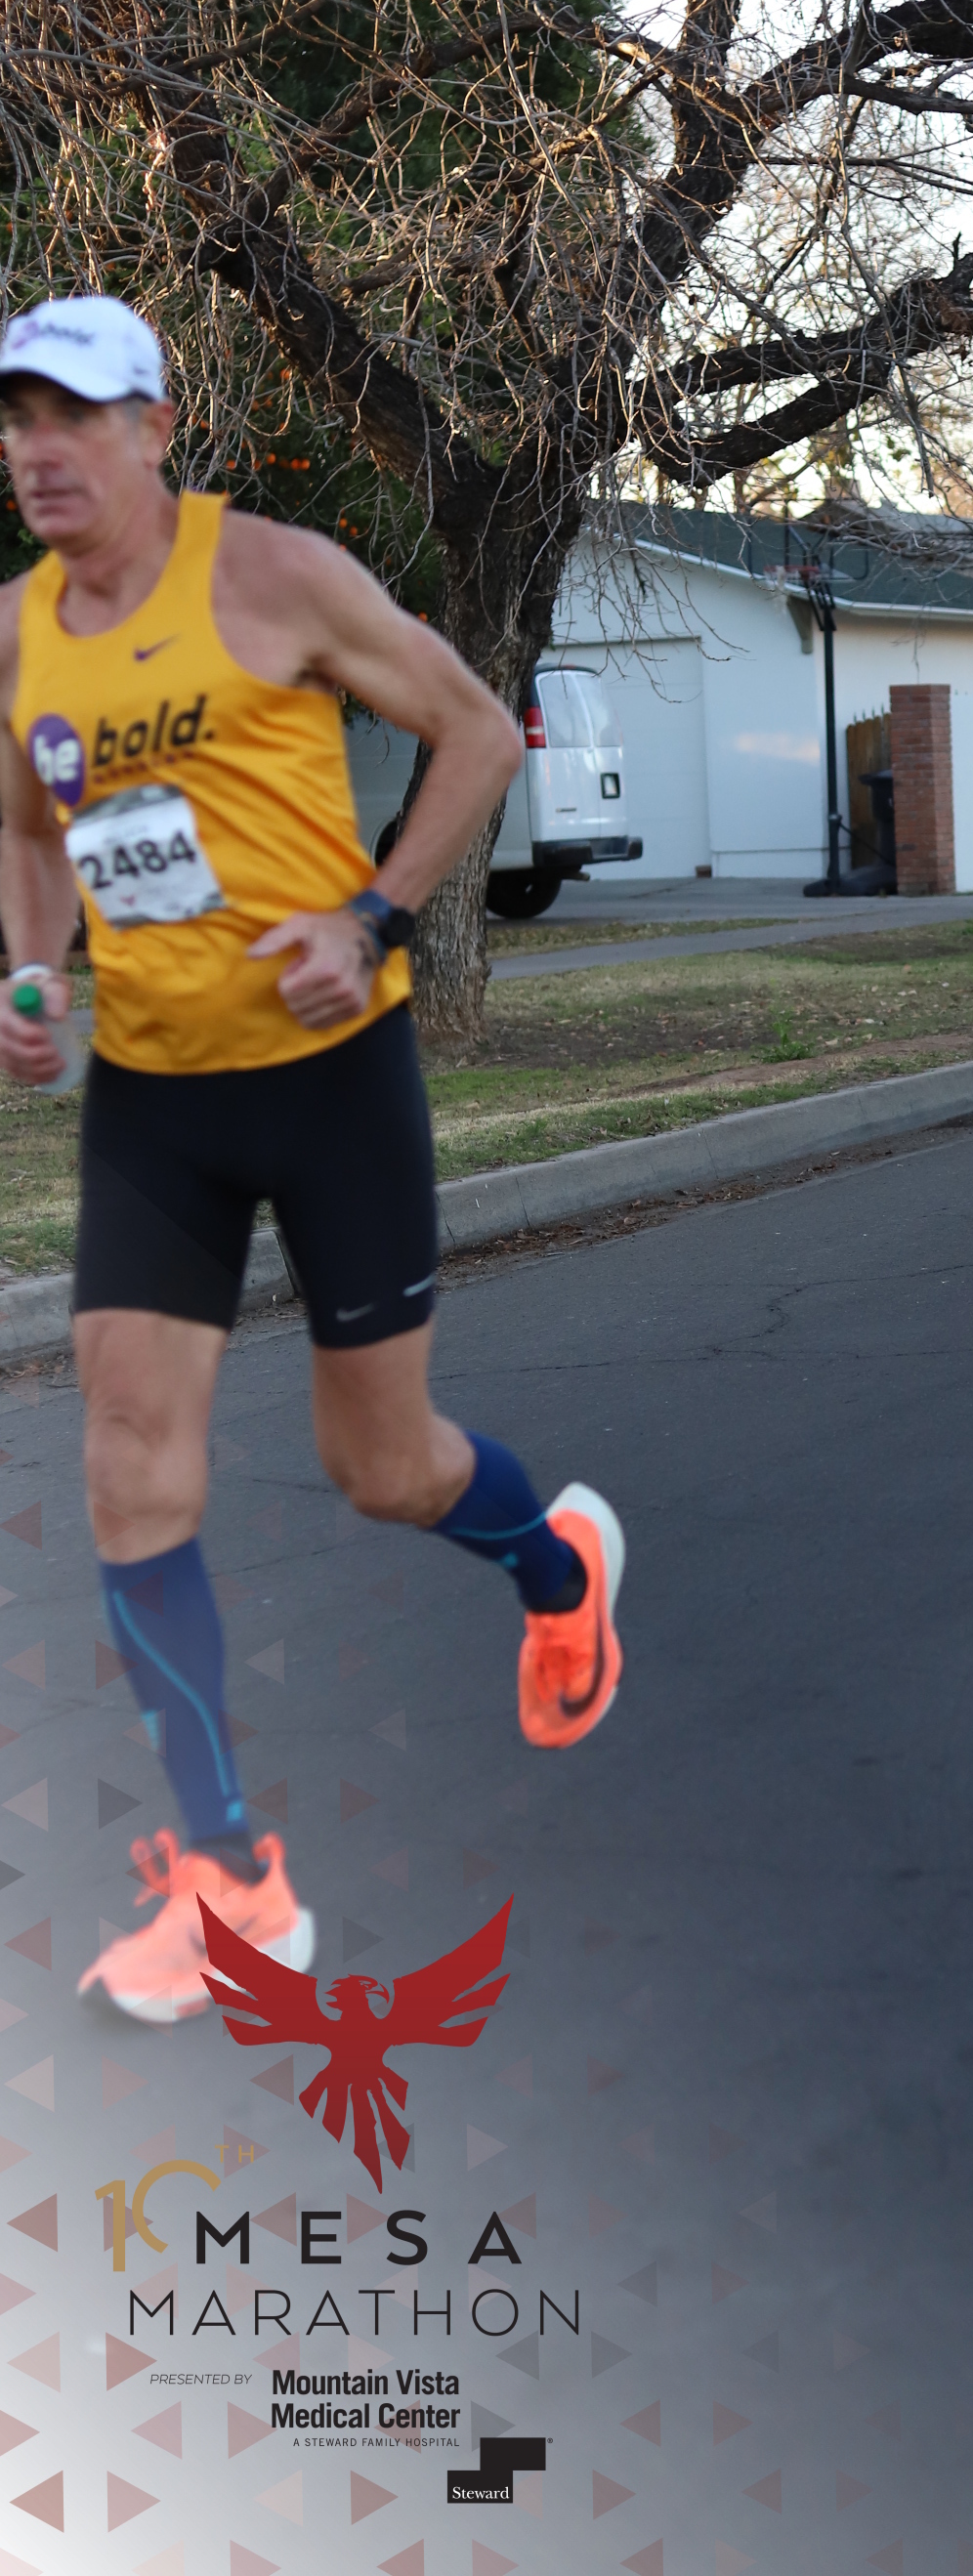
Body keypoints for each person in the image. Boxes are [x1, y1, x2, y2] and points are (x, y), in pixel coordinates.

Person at [0, 297, 626, 2026]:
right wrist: (34, 973)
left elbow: (479, 731)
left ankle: (558, 1565)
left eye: (75, 415)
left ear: (154, 429)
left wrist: (371, 916)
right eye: (18, 417)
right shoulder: (18, 636)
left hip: (331, 1079)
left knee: (385, 1467)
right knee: (130, 1467)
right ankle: (232, 1882)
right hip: (156, 1103)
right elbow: (28, 830)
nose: (41, 449)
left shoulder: (275, 577)